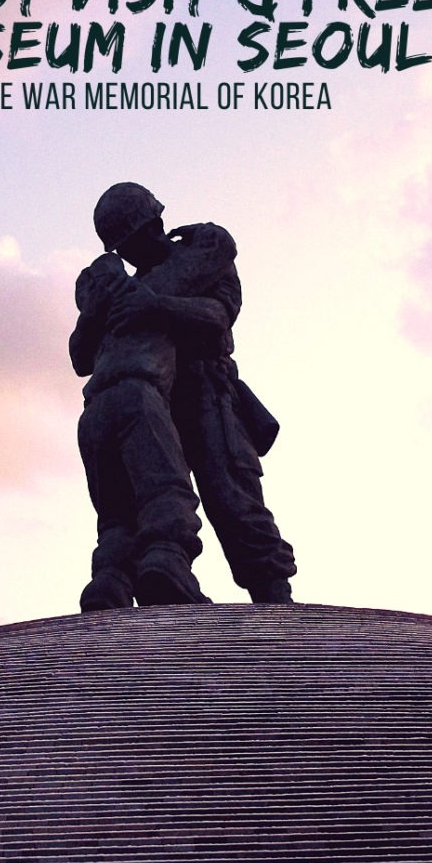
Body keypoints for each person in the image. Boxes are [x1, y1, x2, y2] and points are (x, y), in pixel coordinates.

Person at [92, 182, 297, 604]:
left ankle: (275, 601)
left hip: (209, 392)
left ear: (158, 225)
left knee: (234, 500)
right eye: (124, 247)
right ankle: (157, 578)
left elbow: (218, 318)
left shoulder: (202, 260)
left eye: (137, 239)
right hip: (154, 395)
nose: (132, 253)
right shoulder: (131, 288)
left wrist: (157, 307)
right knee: (147, 498)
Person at [70, 186, 238, 611]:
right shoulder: (161, 280)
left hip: (106, 409)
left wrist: (119, 305)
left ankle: (110, 578)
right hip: (139, 395)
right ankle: (166, 562)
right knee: (166, 493)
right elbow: (214, 254)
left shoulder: (118, 295)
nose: (129, 252)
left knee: (117, 512)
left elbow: (217, 318)